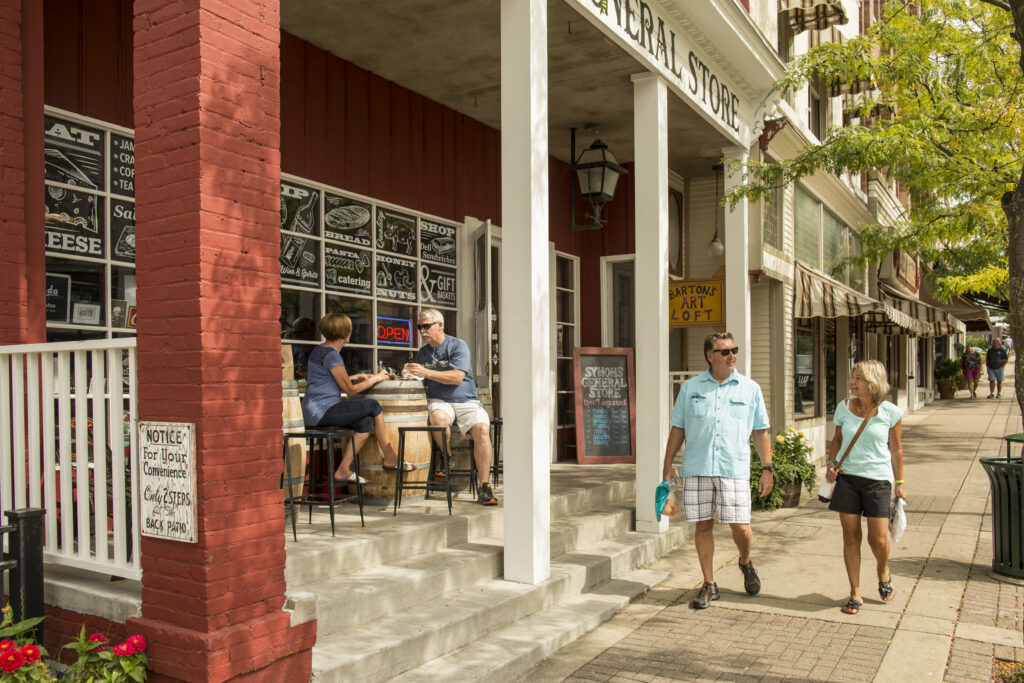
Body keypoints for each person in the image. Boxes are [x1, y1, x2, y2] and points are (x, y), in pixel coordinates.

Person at [660, 332, 773, 609]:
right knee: (703, 524)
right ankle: (709, 584)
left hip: (733, 468)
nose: (731, 355)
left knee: (741, 526)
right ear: (710, 356)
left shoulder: (750, 389)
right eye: (724, 351)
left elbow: (760, 432)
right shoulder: (690, 388)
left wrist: (767, 468)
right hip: (697, 466)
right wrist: (667, 465)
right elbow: (678, 427)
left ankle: (745, 562)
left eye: (734, 350)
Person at [824, 360, 905, 615]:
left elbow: (896, 450)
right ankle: (855, 592)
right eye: (853, 377)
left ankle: (882, 570)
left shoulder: (891, 412)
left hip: (879, 480)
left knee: (877, 538)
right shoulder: (843, 407)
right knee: (850, 535)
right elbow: (837, 439)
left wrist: (900, 483)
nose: (852, 382)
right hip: (847, 478)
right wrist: (831, 463)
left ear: (873, 382)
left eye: (858, 378)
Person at [301, 312, 413, 483]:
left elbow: (324, 378)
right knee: (373, 406)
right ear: (346, 333)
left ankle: (343, 469)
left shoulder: (319, 350)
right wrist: (375, 379)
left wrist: (355, 376)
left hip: (312, 411)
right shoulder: (332, 355)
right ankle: (391, 457)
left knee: (366, 423)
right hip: (323, 411)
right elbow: (350, 391)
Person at [403, 308, 497, 506]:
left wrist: (426, 372)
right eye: (420, 327)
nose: (422, 331)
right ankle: (448, 456)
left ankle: (484, 486)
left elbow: (457, 377)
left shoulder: (458, 345)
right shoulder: (423, 352)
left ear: (440, 325)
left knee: (482, 429)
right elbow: (423, 377)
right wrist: (411, 375)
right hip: (441, 401)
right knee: (437, 419)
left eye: (426, 326)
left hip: (467, 401)